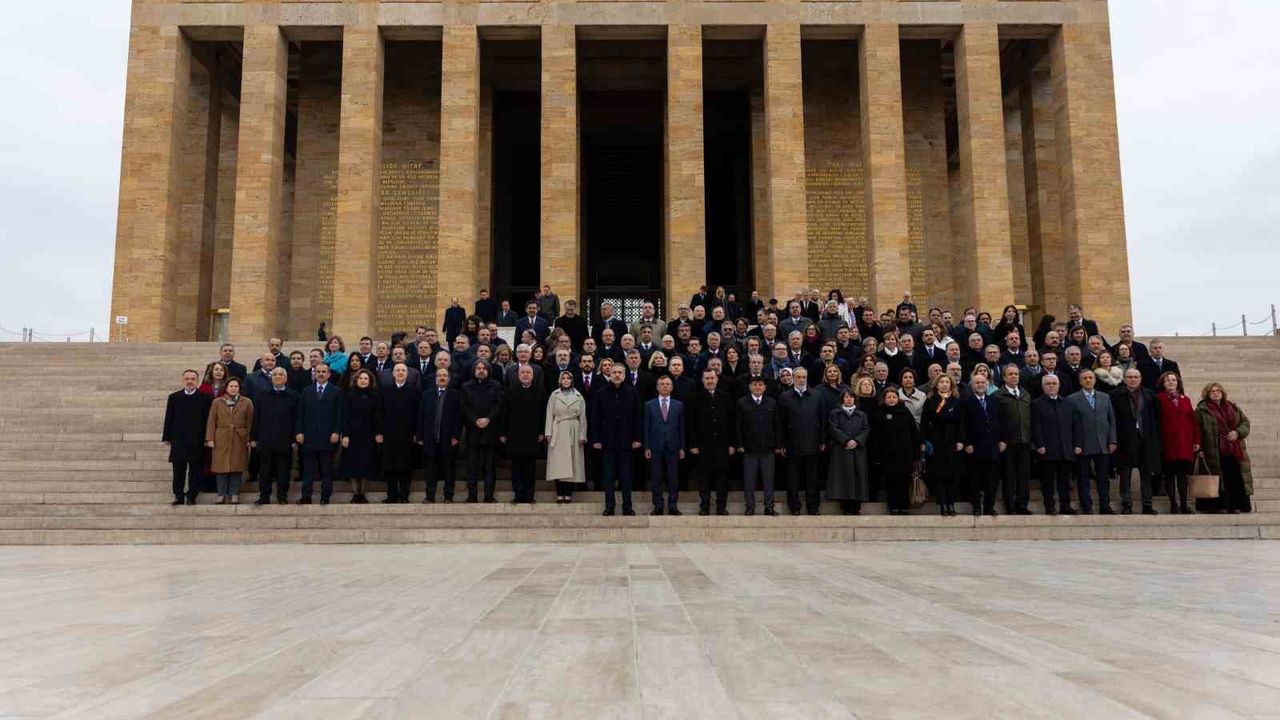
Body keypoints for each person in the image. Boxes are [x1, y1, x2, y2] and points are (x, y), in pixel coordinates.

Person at [590, 364, 643, 516]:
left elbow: (637, 417)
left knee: (626, 476)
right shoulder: (601, 393)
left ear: (625, 375)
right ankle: (609, 507)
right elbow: (595, 418)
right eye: (614, 372)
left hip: (627, 442)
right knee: (608, 477)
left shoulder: (632, 392)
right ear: (610, 374)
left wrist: (637, 438)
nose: (617, 375)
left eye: (620, 372)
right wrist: (596, 439)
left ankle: (627, 507)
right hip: (607, 442)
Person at [1196, 382, 1253, 514]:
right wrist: (1199, 448)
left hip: (1234, 449)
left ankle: (1237, 505)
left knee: (1235, 478)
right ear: (1207, 394)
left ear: (1222, 393)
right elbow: (1197, 430)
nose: (1216, 393)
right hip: (1213, 451)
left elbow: (1245, 423)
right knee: (1220, 479)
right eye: (1212, 391)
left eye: (1218, 391)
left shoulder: (1232, 407)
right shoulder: (1201, 410)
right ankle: (1218, 506)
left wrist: (1237, 432)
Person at [1111, 367, 1161, 515]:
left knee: (1146, 474)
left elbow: (1156, 419)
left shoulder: (1150, 395)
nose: (1133, 379)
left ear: (1140, 379)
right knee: (1125, 474)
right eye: (1129, 377)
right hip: (1125, 439)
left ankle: (1147, 504)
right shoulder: (1115, 395)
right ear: (1124, 379)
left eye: (1136, 377)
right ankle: (1127, 504)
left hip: (1145, 439)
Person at [777, 367, 827, 515]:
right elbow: (780, 422)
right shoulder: (785, 396)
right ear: (793, 378)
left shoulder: (817, 395)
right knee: (792, 479)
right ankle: (794, 507)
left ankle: (813, 507)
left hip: (813, 442)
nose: (801, 380)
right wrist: (781, 444)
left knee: (813, 479)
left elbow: (823, 419)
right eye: (798, 377)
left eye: (803, 377)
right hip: (792, 443)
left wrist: (822, 440)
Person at [687, 367, 736, 516]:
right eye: (707, 378)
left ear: (717, 379)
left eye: (712, 378)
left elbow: (732, 422)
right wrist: (693, 444)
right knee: (704, 478)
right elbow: (691, 423)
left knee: (722, 478)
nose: (710, 381)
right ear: (702, 380)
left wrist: (732, 444)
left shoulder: (726, 397)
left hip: (722, 445)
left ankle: (721, 507)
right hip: (703, 446)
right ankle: (705, 506)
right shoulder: (695, 398)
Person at [1068, 369, 1117, 515]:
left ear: (1095, 380)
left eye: (1091, 377)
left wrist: (1112, 440)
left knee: (1103, 478)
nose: (1088, 380)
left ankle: (1105, 505)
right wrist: (1075, 444)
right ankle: (1086, 506)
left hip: (1103, 443)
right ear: (1080, 381)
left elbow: (1111, 420)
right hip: (1083, 444)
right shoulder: (1072, 399)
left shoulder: (1105, 397)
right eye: (1085, 378)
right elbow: (1070, 424)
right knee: (1083, 477)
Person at [163, 369, 213, 506]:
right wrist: (167, 436)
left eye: (192, 379)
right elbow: (169, 418)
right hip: (179, 440)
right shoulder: (174, 397)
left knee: (195, 471)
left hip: (197, 440)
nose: (190, 381)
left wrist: (208, 438)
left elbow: (208, 420)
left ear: (197, 381)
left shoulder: (205, 398)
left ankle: (192, 495)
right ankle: (178, 496)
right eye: (187, 379)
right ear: (182, 380)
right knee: (178, 470)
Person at [295, 364, 344, 505]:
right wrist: (299, 431)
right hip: (309, 436)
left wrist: (336, 431)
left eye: (324, 372)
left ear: (329, 374)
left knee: (326, 469)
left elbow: (339, 414)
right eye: (318, 372)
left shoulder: (336, 391)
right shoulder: (306, 391)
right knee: (308, 469)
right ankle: (306, 496)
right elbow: (300, 413)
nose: (321, 374)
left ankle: (325, 496)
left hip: (328, 436)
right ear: (314, 374)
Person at [250, 367, 299, 506]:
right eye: (275, 374)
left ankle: (282, 496)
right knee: (265, 471)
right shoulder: (262, 395)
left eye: (280, 374)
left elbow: (297, 418)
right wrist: (253, 437)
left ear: (286, 378)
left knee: (283, 471)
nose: (277, 377)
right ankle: (264, 496)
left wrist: (295, 437)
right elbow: (256, 417)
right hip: (265, 439)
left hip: (285, 440)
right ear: (271, 378)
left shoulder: (294, 396)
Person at [1032, 374, 1077, 515]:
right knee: (1047, 482)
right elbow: (1036, 426)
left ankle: (1065, 506)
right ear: (1042, 386)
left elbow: (1075, 426)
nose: (1051, 386)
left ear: (1058, 385)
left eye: (1054, 383)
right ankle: (1050, 506)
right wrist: (1040, 444)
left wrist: (1077, 444)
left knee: (1065, 481)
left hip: (1065, 449)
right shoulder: (1036, 404)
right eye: (1048, 384)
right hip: (1047, 449)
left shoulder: (1068, 403)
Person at [871, 386, 919, 515]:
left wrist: (916, 452)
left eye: (894, 397)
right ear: (884, 399)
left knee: (904, 482)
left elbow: (914, 433)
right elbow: (875, 436)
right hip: (887, 455)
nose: (891, 399)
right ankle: (893, 506)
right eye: (889, 397)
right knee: (891, 482)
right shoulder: (879, 413)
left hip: (905, 454)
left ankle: (904, 506)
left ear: (898, 398)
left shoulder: (905, 411)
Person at [461, 360, 504, 503]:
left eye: (484, 368)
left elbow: (499, 405)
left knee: (489, 466)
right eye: (478, 368)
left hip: (490, 431)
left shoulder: (496, 385)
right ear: (474, 371)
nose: (481, 370)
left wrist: (488, 419)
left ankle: (488, 496)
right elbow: (464, 406)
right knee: (472, 466)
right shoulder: (466, 386)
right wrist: (475, 420)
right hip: (472, 431)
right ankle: (472, 496)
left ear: (488, 371)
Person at [205, 377, 252, 505]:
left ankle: (234, 493)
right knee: (221, 467)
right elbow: (211, 421)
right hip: (221, 437)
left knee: (237, 467)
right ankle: (221, 494)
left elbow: (250, 422)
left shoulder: (246, 402)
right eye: (231, 386)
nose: (233, 388)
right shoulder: (217, 402)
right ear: (226, 388)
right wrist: (210, 438)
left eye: (236, 386)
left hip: (239, 437)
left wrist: (249, 438)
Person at [737, 376, 780, 516]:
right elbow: (738, 425)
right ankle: (750, 507)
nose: (757, 387)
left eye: (760, 385)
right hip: (749, 448)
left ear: (764, 387)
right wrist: (739, 444)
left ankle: (769, 507)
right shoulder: (742, 403)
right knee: (749, 480)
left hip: (768, 448)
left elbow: (777, 425)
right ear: (750, 387)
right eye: (755, 385)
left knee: (769, 480)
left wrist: (778, 444)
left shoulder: (772, 403)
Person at [920, 375, 963, 516]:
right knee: (940, 474)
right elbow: (924, 422)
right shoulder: (931, 401)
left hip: (952, 440)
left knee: (952, 474)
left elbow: (961, 423)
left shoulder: (956, 401)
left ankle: (951, 503)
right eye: (941, 382)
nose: (944, 384)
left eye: (947, 382)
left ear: (951, 385)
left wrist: (960, 440)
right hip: (936, 440)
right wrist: (923, 441)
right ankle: (943, 503)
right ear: (936, 385)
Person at [418, 368, 463, 503]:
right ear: (435, 378)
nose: (442, 377)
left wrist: (456, 436)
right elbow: (421, 416)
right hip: (430, 438)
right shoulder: (426, 395)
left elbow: (459, 418)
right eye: (439, 375)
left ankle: (448, 496)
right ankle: (430, 496)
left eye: (444, 375)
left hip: (448, 439)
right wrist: (420, 436)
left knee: (449, 469)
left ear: (449, 379)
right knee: (430, 469)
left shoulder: (456, 395)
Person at [502, 365, 546, 504]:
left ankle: (529, 496)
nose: (525, 374)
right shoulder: (510, 391)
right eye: (523, 372)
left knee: (530, 468)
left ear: (533, 375)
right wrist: (503, 433)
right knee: (516, 468)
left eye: (528, 372)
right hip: (514, 435)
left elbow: (543, 414)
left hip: (532, 435)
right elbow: (504, 414)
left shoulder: (540, 392)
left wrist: (541, 432)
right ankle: (518, 495)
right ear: (518, 375)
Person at [960, 375, 1003, 516]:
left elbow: (1002, 421)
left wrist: (1003, 440)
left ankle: (989, 507)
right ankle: (977, 507)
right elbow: (963, 425)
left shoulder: (994, 401)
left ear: (987, 384)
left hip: (992, 447)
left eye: (983, 382)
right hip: (975, 447)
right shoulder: (966, 402)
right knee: (975, 480)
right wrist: (967, 443)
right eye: (977, 382)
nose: (980, 385)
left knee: (992, 481)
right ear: (972, 385)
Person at [1155, 371, 1197, 514]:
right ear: (1163, 383)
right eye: (1168, 380)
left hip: (1184, 443)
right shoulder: (1158, 398)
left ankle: (1184, 504)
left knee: (1182, 475)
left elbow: (1193, 420)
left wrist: (1197, 440)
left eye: (1174, 380)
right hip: (1168, 443)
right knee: (1169, 475)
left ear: (1178, 383)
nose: (1171, 382)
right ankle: (1173, 504)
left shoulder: (1185, 399)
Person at [994, 365, 1033, 514]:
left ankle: (1022, 505)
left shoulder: (1026, 394)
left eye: (1016, 374)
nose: (1014, 376)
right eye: (1010, 374)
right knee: (1009, 476)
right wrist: (1001, 439)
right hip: (1008, 442)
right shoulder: (998, 396)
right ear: (1004, 377)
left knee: (1024, 475)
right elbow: (996, 420)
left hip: (1025, 440)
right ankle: (1009, 506)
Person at [643, 375, 685, 515]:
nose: (665, 386)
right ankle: (658, 505)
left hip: (673, 446)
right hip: (655, 446)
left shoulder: (679, 405)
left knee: (673, 478)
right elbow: (646, 427)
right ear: (657, 387)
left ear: (672, 387)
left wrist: (682, 447)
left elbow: (682, 428)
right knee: (656, 477)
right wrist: (647, 446)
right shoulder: (649, 405)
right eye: (662, 384)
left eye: (667, 384)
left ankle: (673, 506)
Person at [377, 364, 420, 503]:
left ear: (407, 374)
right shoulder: (385, 390)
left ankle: (404, 495)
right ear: (393, 373)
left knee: (406, 466)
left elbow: (419, 414)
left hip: (408, 435)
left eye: (403, 370)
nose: (400, 372)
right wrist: (379, 432)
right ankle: (391, 495)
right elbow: (379, 412)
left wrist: (417, 433)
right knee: (390, 466)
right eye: (398, 370)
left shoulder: (414, 391)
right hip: (389, 434)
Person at [544, 371, 587, 504]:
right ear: (560, 381)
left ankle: (568, 493)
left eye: (568, 378)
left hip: (573, 429)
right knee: (558, 463)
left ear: (572, 380)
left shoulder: (578, 396)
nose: (566, 380)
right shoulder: (554, 395)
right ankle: (560, 492)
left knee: (572, 462)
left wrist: (582, 435)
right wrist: (548, 432)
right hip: (558, 429)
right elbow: (549, 414)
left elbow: (583, 417)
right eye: (564, 378)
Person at [340, 369, 381, 504]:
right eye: (361, 378)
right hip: (352, 434)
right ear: (356, 380)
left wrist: (377, 433)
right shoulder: (349, 396)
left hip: (368, 435)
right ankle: (355, 493)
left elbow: (377, 417)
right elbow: (345, 416)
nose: (363, 381)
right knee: (352, 464)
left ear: (370, 381)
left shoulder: (375, 396)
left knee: (366, 464)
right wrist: (345, 435)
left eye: (366, 379)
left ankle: (362, 494)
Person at [827, 389, 871, 515]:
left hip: (858, 450)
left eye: (851, 397)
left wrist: (857, 441)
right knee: (843, 478)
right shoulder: (835, 413)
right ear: (842, 399)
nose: (849, 399)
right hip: (841, 450)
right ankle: (845, 506)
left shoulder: (861, 414)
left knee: (858, 477)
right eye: (846, 397)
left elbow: (866, 429)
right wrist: (846, 440)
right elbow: (833, 428)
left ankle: (856, 507)